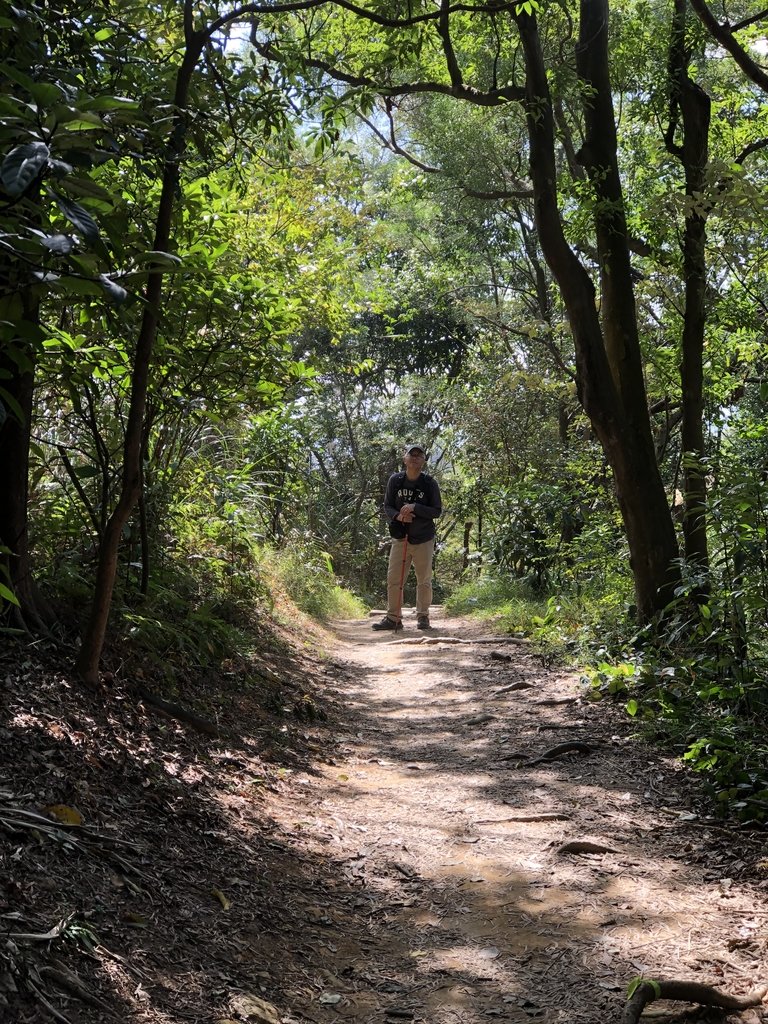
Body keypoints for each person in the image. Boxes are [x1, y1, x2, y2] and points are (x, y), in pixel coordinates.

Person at [372, 443, 442, 631]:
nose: (415, 458)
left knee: (424, 579)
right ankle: (393, 618)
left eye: (419, 455)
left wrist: (415, 508)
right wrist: (399, 516)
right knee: (394, 579)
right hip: (401, 538)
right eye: (412, 455)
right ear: (405, 459)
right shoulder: (396, 480)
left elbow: (437, 511)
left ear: (424, 461)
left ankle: (423, 617)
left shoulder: (429, 484)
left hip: (424, 538)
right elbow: (387, 506)